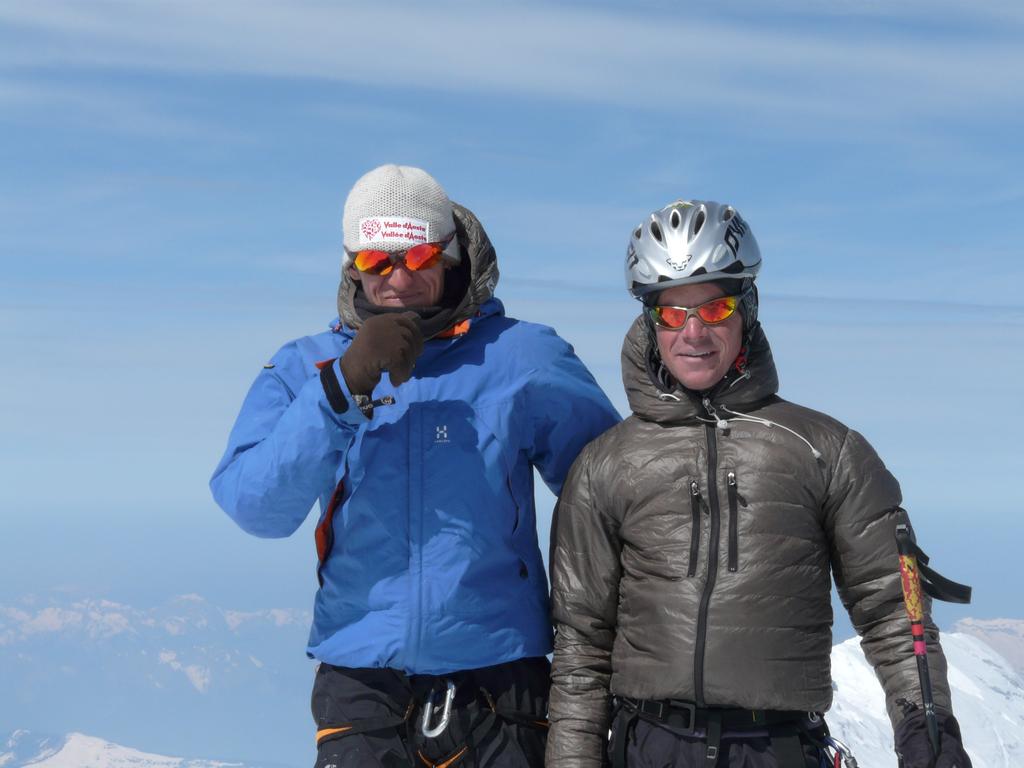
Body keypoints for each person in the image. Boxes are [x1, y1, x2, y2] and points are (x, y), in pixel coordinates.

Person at [210, 165, 620, 768]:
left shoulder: (522, 357)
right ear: (353, 263)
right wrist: (340, 389)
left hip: (501, 683)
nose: (397, 278)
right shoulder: (307, 367)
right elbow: (255, 507)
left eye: (418, 255)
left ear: (450, 256)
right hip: (364, 687)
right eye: (377, 262)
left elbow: (612, 496)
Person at [546, 199, 972, 768]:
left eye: (715, 308)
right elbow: (581, 647)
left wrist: (929, 737)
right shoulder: (606, 464)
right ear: (650, 322)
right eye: (672, 314)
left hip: (778, 750)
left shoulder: (827, 450)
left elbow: (896, 615)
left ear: (747, 310)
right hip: (646, 746)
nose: (693, 332)